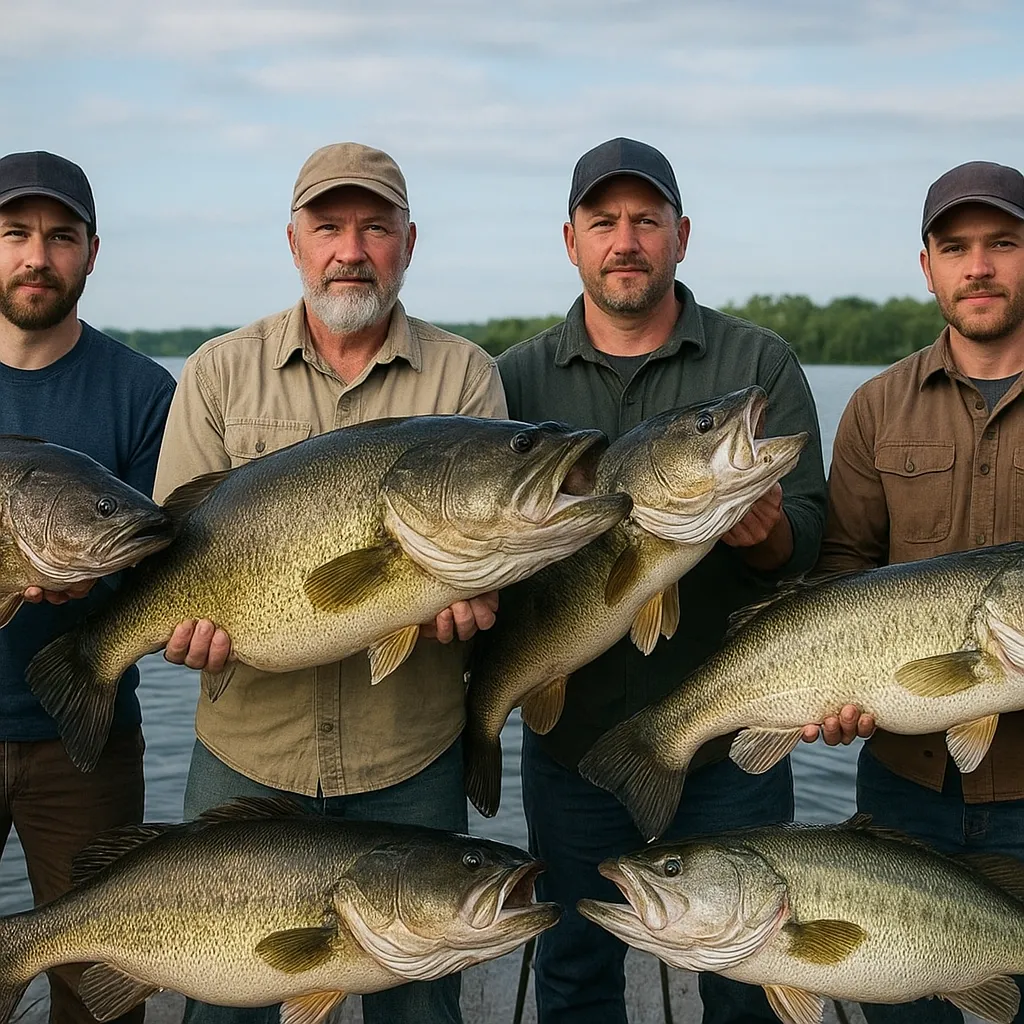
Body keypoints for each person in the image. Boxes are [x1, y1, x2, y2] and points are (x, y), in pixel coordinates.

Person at [152, 142, 506, 1024]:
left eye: (375, 226)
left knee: (420, 1008)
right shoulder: (216, 373)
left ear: (409, 244)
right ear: (294, 241)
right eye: (329, 225)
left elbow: (500, 555)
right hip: (248, 754)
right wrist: (172, 629)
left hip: (409, 758)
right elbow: (168, 563)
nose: (352, 248)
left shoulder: (466, 377)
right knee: (221, 1003)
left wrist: (480, 595)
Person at [496, 137, 827, 1024]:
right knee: (572, 967)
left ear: (683, 234)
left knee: (746, 977)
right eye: (603, 221)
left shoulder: (758, 366)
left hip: (730, 744)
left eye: (647, 219)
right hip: (573, 748)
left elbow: (808, 541)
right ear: (570, 241)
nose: (626, 240)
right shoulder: (515, 379)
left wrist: (761, 539)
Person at [816, 160, 1024, 1022]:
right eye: (957, 247)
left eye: (1003, 244)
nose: (979, 266)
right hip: (903, 790)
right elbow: (840, 570)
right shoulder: (872, 406)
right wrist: (837, 687)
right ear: (928, 266)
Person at [0, 151, 175, 1023]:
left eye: (61, 236)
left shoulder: (144, 391)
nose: (39, 255)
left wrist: (84, 582)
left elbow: (159, 552)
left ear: (92, 252)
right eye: (16, 234)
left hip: (89, 743)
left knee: (99, 985)